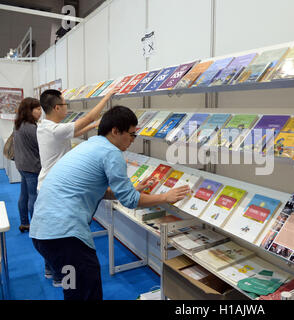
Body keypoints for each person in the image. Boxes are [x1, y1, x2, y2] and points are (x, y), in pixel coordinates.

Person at [29, 106, 190, 300]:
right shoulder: (111, 153)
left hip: (43, 232)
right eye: (131, 135)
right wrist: (165, 197)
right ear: (115, 131)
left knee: (73, 289)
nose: (132, 140)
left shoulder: (89, 145)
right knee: (86, 292)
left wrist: (131, 190)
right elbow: (130, 201)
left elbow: (95, 189)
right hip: (65, 237)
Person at [37, 88, 117, 191]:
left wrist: (93, 126)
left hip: (47, 181)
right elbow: (89, 118)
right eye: (65, 104)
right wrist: (107, 97)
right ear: (57, 108)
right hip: (54, 184)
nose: (67, 108)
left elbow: (73, 133)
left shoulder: (44, 126)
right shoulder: (55, 130)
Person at [13, 98, 42, 232]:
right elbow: (41, 147)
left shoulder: (19, 124)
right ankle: (36, 227)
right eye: (37, 109)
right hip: (32, 166)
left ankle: (24, 223)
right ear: (29, 111)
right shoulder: (31, 128)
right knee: (33, 197)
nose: (40, 111)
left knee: (24, 195)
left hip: (22, 165)